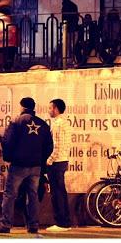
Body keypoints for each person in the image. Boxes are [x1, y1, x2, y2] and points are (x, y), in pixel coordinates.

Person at [0, 97, 53, 234]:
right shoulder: (43, 124)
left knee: (10, 195)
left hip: (19, 165)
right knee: (33, 195)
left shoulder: (16, 121)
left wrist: (9, 157)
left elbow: (8, 141)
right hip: (36, 166)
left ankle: (5, 225)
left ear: (22, 107)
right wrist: (41, 160)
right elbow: (49, 146)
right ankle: (33, 225)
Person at [45, 98, 72, 232]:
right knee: (60, 191)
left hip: (56, 162)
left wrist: (48, 161)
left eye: (50, 108)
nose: (49, 110)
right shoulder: (64, 122)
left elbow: (57, 146)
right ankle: (65, 221)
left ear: (56, 109)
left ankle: (61, 223)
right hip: (62, 160)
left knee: (57, 193)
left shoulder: (58, 124)